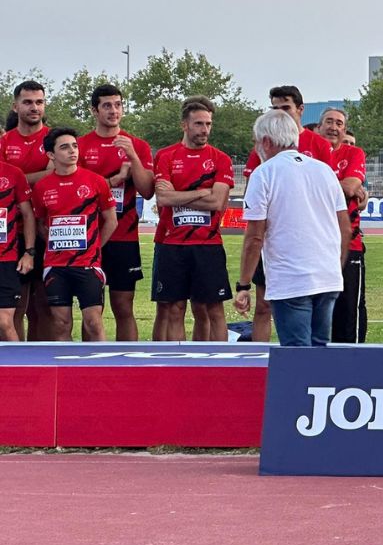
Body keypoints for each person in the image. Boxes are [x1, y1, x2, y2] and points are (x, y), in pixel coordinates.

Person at [233, 110, 350, 347]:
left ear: (266, 141)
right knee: (319, 349)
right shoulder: (324, 171)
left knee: (297, 352)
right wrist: (335, 267)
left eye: (257, 142)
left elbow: (254, 236)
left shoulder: (264, 173)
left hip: (291, 279)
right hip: (327, 276)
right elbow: (345, 228)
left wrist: (244, 284)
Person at [151, 97, 235, 341]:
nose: (205, 129)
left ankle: (218, 363)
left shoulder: (220, 159)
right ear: (184, 125)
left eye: (208, 124)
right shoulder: (166, 156)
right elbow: (163, 199)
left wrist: (179, 196)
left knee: (214, 309)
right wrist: (201, 192)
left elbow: (217, 202)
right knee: (175, 308)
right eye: (199, 123)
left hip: (207, 245)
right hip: (171, 244)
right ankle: (179, 362)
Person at [77, 84, 154, 341]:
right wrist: (115, 178)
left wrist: (133, 157)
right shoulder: (81, 145)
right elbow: (80, 189)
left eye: (118, 104)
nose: (114, 110)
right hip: (89, 238)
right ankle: (88, 364)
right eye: (107, 105)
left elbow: (147, 190)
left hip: (125, 237)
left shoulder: (138, 145)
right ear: (94, 110)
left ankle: (127, 362)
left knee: (123, 306)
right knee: (91, 310)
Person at [32, 127, 118, 341]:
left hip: (88, 265)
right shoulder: (42, 187)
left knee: (93, 323)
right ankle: (67, 373)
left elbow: (111, 220)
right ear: (51, 155)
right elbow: (40, 224)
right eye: (64, 147)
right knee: (61, 325)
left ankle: (100, 370)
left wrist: (95, 245)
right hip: (56, 267)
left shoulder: (95, 181)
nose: (72, 151)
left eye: (74, 146)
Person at [2, 80, 52, 339]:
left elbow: (67, 175)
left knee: (45, 304)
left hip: (46, 230)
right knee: (16, 306)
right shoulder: (4, 142)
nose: (34, 107)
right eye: (28, 102)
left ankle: (42, 362)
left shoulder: (56, 140)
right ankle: (19, 362)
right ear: (15, 105)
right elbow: (8, 180)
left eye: (39, 102)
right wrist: (43, 174)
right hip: (12, 234)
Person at [320, 107, 370, 343]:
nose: (333, 127)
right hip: (315, 243)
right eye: (329, 122)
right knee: (317, 309)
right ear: (319, 127)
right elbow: (347, 187)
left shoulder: (354, 153)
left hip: (349, 243)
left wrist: (314, 183)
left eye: (339, 123)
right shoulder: (308, 154)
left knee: (349, 309)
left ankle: (353, 363)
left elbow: (351, 187)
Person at [0, 155, 37, 340]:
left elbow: (28, 215)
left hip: (5, 260)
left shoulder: (13, 173)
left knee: (5, 322)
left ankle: (20, 368)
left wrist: (29, 252)